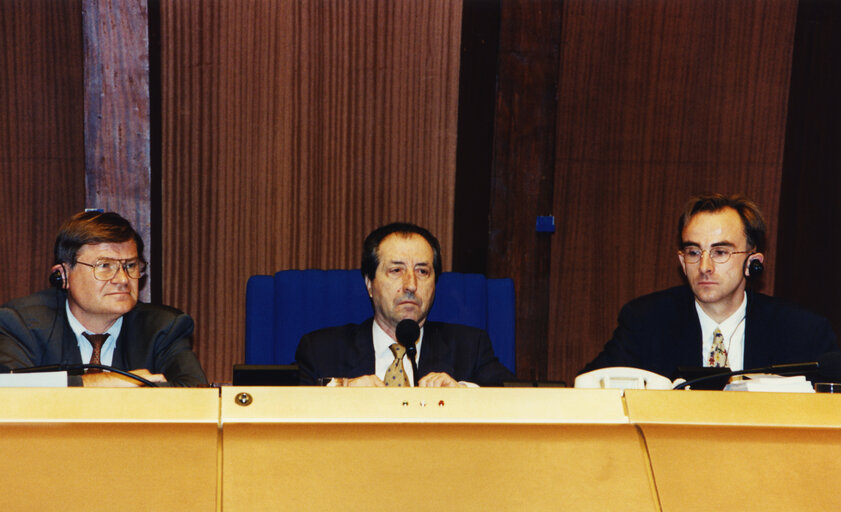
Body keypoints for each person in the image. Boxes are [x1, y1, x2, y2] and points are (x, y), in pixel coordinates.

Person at [581, 194, 838, 380]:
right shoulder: (646, 321)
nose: (704, 266)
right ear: (682, 262)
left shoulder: (802, 331)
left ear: (753, 263)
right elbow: (591, 387)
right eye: (694, 252)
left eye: (720, 252)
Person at [0, 211, 207, 387]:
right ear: (63, 276)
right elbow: (7, 387)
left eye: (130, 266)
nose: (123, 280)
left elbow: (196, 394)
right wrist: (99, 383)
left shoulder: (163, 329)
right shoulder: (21, 325)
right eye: (105, 266)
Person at [295, 222, 514, 387]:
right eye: (396, 270)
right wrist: (341, 397)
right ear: (370, 284)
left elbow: (518, 402)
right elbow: (290, 416)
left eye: (422, 271)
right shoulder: (321, 350)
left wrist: (463, 395)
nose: (410, 285)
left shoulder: (470, 348)